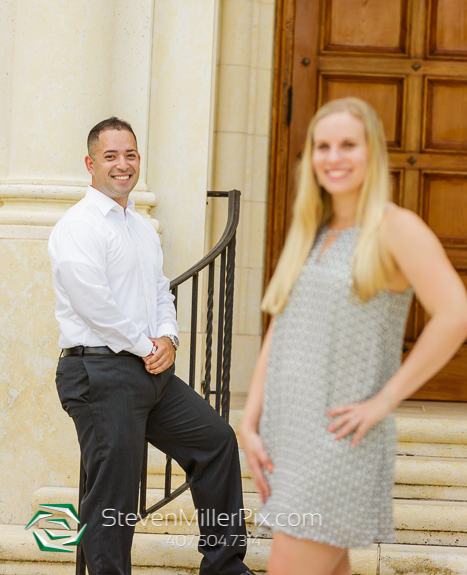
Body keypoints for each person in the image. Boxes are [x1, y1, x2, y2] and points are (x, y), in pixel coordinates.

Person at [239, 98, 467, 575]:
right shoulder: (313, 231)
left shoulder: (394, 228)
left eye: (348, 144)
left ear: (372, 154)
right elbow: (282, 326)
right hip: (291, 436)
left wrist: (385, 401)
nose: (333, 156)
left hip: (337, 442)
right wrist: (251, 421)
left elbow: (455, 314)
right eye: (322, 146)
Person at [49, 117, 253, 575]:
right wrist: (146, 345)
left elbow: (161, 290)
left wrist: (169, 338)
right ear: (90, 163)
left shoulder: (140, 226)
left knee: (216, 442)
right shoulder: (78, 225)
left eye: (131, 155)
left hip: (147, 369)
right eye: (111, 156)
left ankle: (224, 567)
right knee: (114, 494)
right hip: (98, 373)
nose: (123, 165)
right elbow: (93, 304)